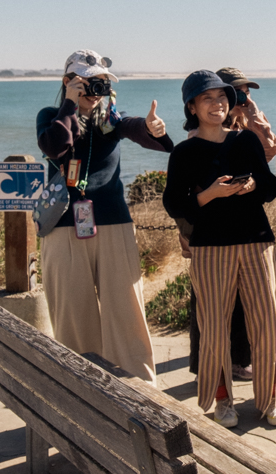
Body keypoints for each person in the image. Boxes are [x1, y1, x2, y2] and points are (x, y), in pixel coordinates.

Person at [36, 49, 172, 385]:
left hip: (113, 223)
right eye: (86, 83)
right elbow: (56, 147)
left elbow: (137, 129)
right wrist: (69, 104)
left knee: (127, 313)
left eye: (101, 84)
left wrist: (152, 128)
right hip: (65, 227)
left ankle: (141, 391)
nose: (95, 92)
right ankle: (82, 391)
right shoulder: (51, 116)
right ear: (68, 82)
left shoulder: (112, 121)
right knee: (73, 317)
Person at [163, 70, 276, 428]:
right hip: (210, 249)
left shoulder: (246, 141)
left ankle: (272, 401)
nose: (217, 104)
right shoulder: (185, 152)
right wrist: (209, 194)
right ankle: (222, 401)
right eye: (208, 99)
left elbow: (269, 186)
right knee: (214, 328)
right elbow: (175, 204)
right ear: (192, 106)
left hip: (256, 241)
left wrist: (251, 186)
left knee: (267, 325)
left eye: (222, 98)